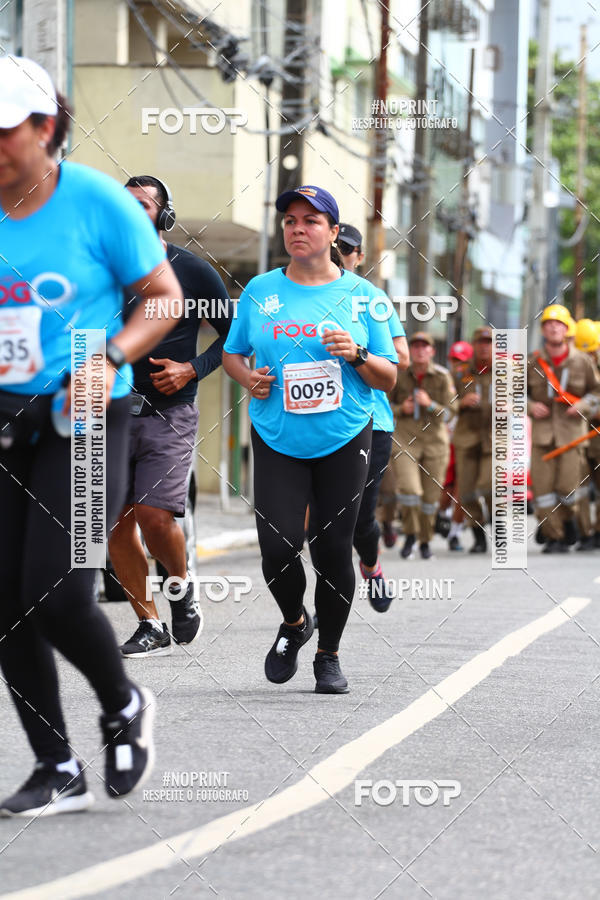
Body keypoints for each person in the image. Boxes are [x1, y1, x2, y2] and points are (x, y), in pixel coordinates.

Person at [0, 57, 184, 816]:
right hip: (6, 418)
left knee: (59, 591)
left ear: (45, 128)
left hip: (84, 417)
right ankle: (57, 766)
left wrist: (106, 356)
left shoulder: (98, 202)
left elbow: (164, 300)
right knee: (7, 606)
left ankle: (124, 705)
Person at [223, 186, 397, 693]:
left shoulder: (368, 299)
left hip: (344, 435)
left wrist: (358, 353)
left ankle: (329, 655)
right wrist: (245, 378)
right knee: (277, 546)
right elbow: (234, 352)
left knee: (331, 550)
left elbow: (389, 378)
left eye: (311, 221)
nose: (297, 228)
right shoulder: (259, 291)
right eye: (290, 221)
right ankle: (297, 625)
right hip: (277, 433)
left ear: (333, 233)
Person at [108, 175, 233, 657]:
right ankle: (149, 622)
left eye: (142, 205)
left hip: (168, 413)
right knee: (112, 522)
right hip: (108, 413)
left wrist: (191, 369)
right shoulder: (100, 272)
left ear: (164, 214)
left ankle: (180, 592)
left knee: (153, 514)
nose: (131, 212)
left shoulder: (193, 271)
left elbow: (233, 340)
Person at [318, 224, 408, 611]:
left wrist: (358, 349)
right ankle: (328, 600)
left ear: (358, 256)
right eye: (336, 247)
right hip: (315, 420)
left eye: (349, 249)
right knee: (320, 522)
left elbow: (400, 358)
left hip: (371, 421)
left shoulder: (371, 300)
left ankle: (370, 565)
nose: (342, 254)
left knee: (358, 520)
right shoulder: (302, 294)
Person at [528, 305, 600, 553]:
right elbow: (514, 393)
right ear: (543, 330)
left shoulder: (582, 361)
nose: (553, 327)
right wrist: (530, 406)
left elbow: (597, 391)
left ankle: (567, 521)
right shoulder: (532, 361)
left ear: (567, 329)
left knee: (569, 489)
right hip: (542, 436)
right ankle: (555, 536)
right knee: (543, 491)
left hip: (572, 435)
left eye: (559, 323)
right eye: (548, 323)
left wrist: (582, 404)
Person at [389, 332, 458, 559]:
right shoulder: (398, 373)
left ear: (432, 351)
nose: (419, 350)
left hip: (435, 443)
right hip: (405, 440)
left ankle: (425, 540)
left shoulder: (442, 377)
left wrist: (430, 405)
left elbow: (450, 414)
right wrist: (402, 409)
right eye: (415, 346)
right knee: (410, 491)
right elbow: (382, 405)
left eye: (424, 347)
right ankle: (410, 534)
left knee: (430, 499)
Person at [453, 325, 494, 553]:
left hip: (494, 438)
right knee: (467, 492)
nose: (484, 347)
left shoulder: (507, 372)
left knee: (489, 486)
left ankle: (498, 528)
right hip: (467, 437)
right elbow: (444, 403)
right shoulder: (460, 372)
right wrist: (461, 403)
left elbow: (524, 398)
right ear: (474, 346)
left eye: (489, 342)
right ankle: (478, 536)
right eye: (480, 342)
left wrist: (511, 406)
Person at [438, 341, 473, 551]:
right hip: (444, 440)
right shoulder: (442, 378)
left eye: (462, 362)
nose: (457, 366)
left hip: (467, 441)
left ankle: (455, 533)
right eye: (454, 361)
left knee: (462, 487)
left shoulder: (473, 379)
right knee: (445, 488)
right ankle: (440, 516)